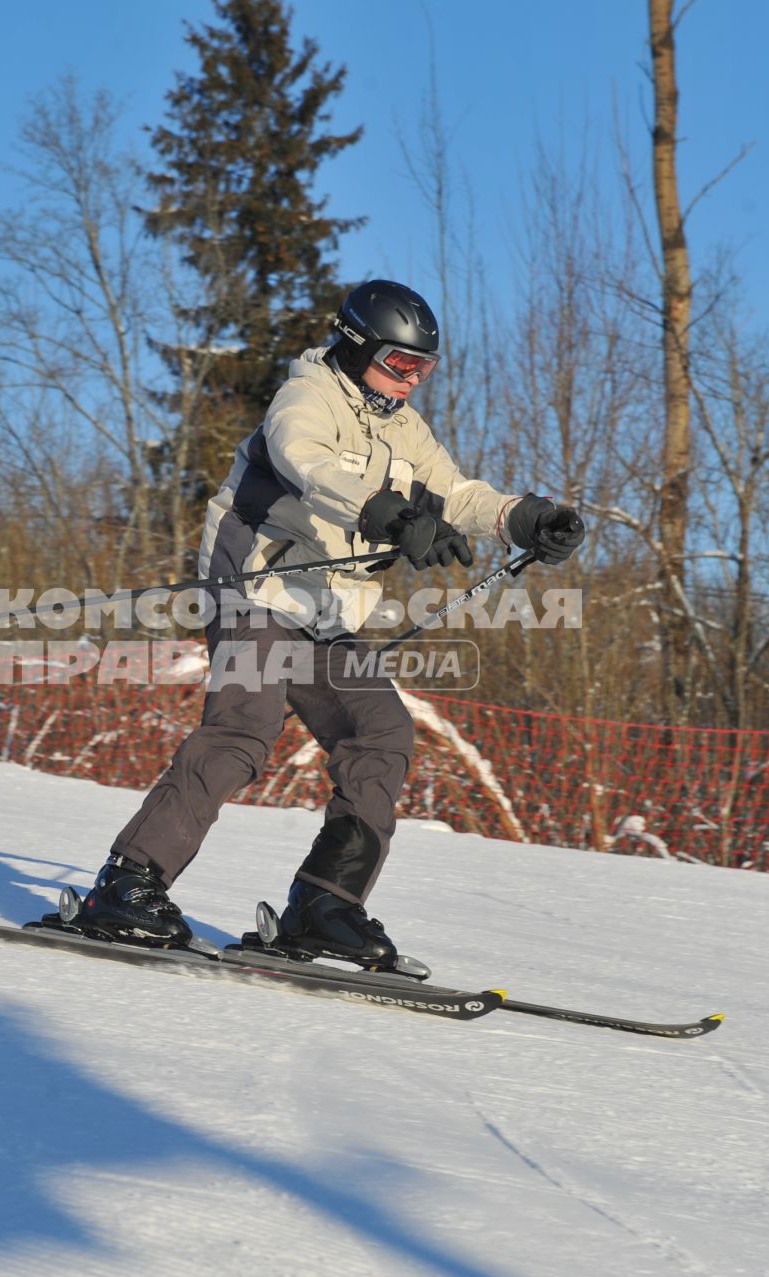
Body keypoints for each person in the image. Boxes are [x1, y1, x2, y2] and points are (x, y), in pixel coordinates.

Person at [75, 280, 586, 969]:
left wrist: (524, 516)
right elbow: (306, 463)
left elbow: (456, 492)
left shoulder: (404, 429)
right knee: (244, 728)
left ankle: (325, 904)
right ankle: (129, 883)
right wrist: (387, 513)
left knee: (381, 731)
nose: (411, 381)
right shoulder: (307, 396)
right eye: (399, 364)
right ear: (356, 347)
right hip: (256, 584)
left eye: (423, 369)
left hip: (327, 612)